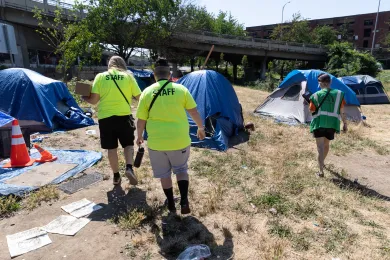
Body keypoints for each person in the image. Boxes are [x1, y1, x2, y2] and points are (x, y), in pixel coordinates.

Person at [136, 59, 205, 214]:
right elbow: (194, 111)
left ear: (154, 75)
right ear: (169, 75)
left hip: (157, 143)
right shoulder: (181, 89)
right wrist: (200, 127)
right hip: (179, 140)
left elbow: (141, 120)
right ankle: (184, 200)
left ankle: (171, 204)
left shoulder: (146, 93)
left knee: (165, 174)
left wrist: (139, 136)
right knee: (181, 170)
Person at [83, 56, 141, 185]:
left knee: (111, 148)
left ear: (109, 65)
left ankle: (116, 176)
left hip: (106, 118)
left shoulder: (100, 77)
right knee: (128, 144)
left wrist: (84, 96)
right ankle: (129, 168)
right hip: (124, 116)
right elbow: (139, 97)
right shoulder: (128, 77)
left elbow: (94, 101)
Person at [309, 73, 348, 177]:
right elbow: (342, 111)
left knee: (320, 147)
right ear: (330, 82)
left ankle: (321, 171)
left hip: (319, 123)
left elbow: (311, 110)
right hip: (332, 124)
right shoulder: (339, 94)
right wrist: (345, 123)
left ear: (320, 83)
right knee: (326, 145)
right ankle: (323, 163)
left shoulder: (316, 95)